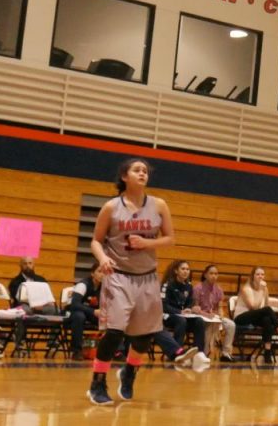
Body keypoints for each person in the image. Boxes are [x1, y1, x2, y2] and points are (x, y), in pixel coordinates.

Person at [85, 158, 176, 406]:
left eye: (145, 170)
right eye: (137, 170)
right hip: (118, 276)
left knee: (143, 337)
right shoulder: (111, 207)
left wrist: (148, 243)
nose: (143, 173)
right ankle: (98, 382)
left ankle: (129, 371)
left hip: (147, 277)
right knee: (114, 332)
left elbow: (169, 238)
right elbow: (95, 240)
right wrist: (103, 258)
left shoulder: (159, 205)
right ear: (124, 176)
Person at [161, 260, 210, 368]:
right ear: (176, 271)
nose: (185, 271)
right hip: (167, 315)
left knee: (199, 321)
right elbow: (163, 305)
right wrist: (179, 312)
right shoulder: (167, 285)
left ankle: (199, 353)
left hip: (183, 316)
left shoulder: (188, 286)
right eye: (183, 269)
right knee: (181, 321)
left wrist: (191, 309)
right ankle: (177, 352)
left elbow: (189, 303)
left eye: (187, 269)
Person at [233, 266, 278, 363]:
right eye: (258, 274)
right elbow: (253, 307)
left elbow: (266, 306)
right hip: (241, 317)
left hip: (254, 317)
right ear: (253, 276)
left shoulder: (264, 289)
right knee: (267, 311)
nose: (260, 276)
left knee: (267, 320)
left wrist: (264, 291)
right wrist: (261, 291)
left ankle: (267, 352)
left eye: (262, 274)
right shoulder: (246, 289)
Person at [192, 264, 236, 362]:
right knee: (210, 325)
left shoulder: (219, 290)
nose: (214, 276)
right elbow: (195, 308)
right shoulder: (197, 288)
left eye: (216, 274)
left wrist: (220, 315)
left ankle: (226, 353)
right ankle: (205, 352)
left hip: (214, 316)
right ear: (205, 275)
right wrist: (207, 315)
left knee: (231, 324)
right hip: (201, 316)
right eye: (211, 273)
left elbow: (220, 307)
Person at [67, 269, 103, 360]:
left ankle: (117, 351)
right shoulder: (83, 285)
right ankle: (76, 351)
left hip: (93, 313)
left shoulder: (104, 287)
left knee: (112, 319)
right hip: (78, 311)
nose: (102, 274)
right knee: (79, 317)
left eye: (104, 272)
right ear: (92, 274)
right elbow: (75, 304)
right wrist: (93, 311)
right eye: (99, 271)